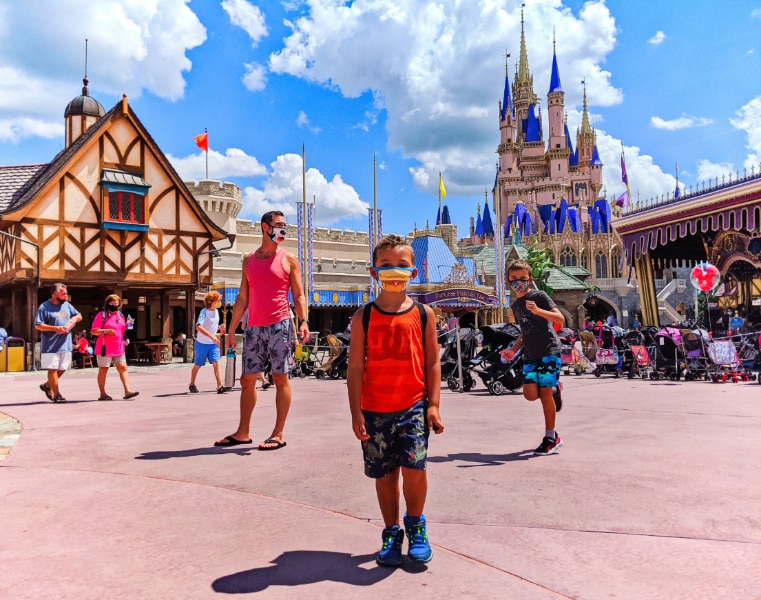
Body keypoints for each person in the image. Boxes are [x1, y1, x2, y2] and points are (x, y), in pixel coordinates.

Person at [347, 234, 444, 567]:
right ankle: (391, 532)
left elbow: (432, 361)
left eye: (401, 266)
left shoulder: (424, 314)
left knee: (414, 469)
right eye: (385, 265)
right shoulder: (363, 317)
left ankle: (416, 526)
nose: (393, 272)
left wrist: (433, 404)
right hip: (374, 410)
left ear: (413, 272)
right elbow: (355, 366)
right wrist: (356, 411)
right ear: (374, 272)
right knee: (385, 475)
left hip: (412, 406)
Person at [215, 210, 309, 450]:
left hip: (280, 324)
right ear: (265, 227)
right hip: (254, 327)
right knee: (247, 380)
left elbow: (298, 294)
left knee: (280, 377)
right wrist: (231, 330)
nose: (282, 230)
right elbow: (242, 296)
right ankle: (243, 432)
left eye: (284, 226)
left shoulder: (289, 259)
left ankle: (278, 433)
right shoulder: (249, 259)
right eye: (278, 225)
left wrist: (304, 320)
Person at [500, 260, 565, 455]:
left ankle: (551, 437)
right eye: (514, 279)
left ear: (529, 279)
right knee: (529, 395)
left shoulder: (539, 296)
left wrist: (537, 310)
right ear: (507, 280)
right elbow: (524, 332)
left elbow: (559, 319)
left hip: (549, 351)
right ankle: (555, 388)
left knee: (544, 395)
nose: (518, 282)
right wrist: (514, 349)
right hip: (530, 354)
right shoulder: (516, 305)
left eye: (522, 278)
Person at [35, 283, 82, 403]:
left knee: (63, 368)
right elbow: (38, 325)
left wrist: (74, 318)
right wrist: (57, 329)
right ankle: (57, 395)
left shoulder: (67, 305)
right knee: (53, 369)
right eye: (63, 293)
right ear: (55, 294)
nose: (66, 295)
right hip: (50, 345)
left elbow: (79, 315)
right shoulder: (44, 307)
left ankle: (47, 385)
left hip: (65, 344)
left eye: (66, 293)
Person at [91, 294, 139, 401]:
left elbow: (121, 330)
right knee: (103, 370)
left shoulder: (121, 315)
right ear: (107, 304)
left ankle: (127, 391)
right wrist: (106, 331)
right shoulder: (101, 315)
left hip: (119, 347)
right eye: (112, 303)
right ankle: (102, 393)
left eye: (116, 303)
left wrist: (127, 325)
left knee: (123, 368)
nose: (114, 305)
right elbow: (94, 331)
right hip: (104, 347)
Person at [189, 291, 227, 394]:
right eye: (218, 300)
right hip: (202, 343)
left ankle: (219, 386)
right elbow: (199, 326)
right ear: (212, 301)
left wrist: (220, 327)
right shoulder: (204, 312)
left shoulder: (217, 312)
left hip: (213, 344)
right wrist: (210, 335)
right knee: (198, 364)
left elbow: (212, 326)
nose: (219, 302)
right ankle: (192, 384)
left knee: (216, 363)